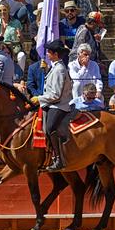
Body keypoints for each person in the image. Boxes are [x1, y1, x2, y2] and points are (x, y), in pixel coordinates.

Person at [30, 40, 72, 172]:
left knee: (49, 128)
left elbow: (56, 95)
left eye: (49, 52)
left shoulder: (59, 69)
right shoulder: (55, 67)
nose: (47, 54)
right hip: (52, 104)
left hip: (59, 105)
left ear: (55, 54)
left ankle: (59, 159)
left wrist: (39, 98)